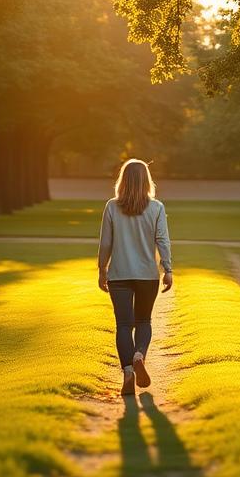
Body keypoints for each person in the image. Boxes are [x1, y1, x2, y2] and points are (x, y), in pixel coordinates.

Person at [97, 158, 173, 396]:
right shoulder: (157, 208)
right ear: (147, 181)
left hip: (119, 274)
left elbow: (106, 242)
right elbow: (162, 241)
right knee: (143, 322)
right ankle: (139, 354)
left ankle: (128, 370)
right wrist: (168, 269)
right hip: (147, 276)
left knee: (123, 325)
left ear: (123, 180)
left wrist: (102, 269)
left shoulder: (111, 206)